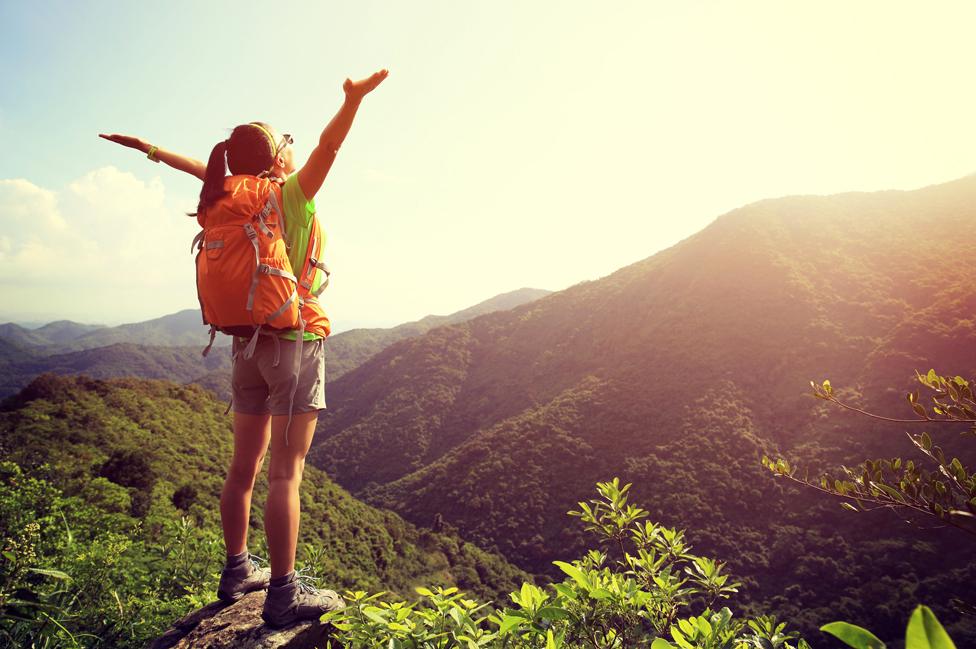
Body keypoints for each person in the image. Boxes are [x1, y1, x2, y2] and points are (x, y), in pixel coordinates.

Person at [100, 68, 389, 629]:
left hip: (243, 347)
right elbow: (329, 146)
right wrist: (352, 102)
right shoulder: (289, 197)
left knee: (242, 469)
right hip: (292, 342)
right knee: (288, 473)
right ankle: (282, 594)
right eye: (285, 143)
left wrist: (150, 150)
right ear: (278, 158)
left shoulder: (220, 196)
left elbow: (199, 167)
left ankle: (237, 570)